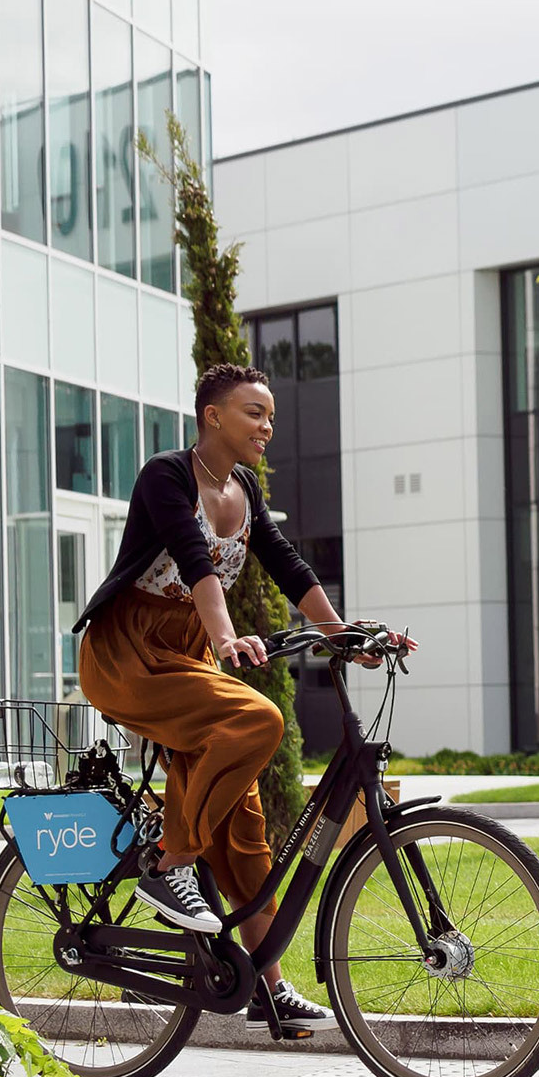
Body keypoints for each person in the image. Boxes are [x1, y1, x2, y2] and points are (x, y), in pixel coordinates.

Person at [73, 362, 412, 1037]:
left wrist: (345, 635)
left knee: (244, 818)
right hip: (129, 652)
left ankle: (266, 985)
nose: (267, 427)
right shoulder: (166, 476)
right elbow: (195, 561)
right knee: (257, 717)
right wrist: (226, 639)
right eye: (254, 413)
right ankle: (168, 864)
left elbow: (286, 563)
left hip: (189, 652)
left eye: (271, 416)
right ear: (213, 417)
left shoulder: (246, 487)